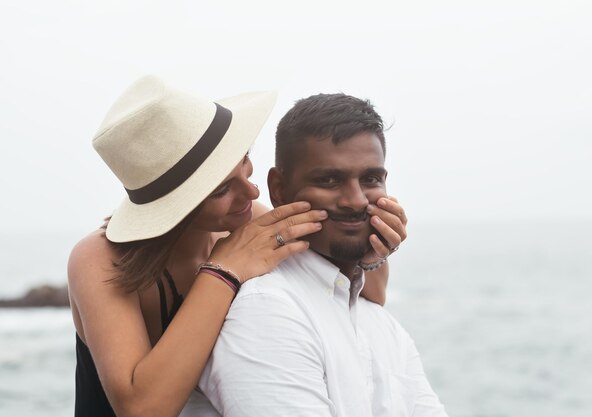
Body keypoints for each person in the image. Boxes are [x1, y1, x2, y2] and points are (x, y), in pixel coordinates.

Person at [67, 76, 407, 417]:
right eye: (221, 190)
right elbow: (142, 409)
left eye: (245, 165)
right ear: (172, 204)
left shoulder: (250, 223)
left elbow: (364, 294)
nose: (252, 194)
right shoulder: (100, 259)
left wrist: (372, 251)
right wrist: (223, 272)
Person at [187, 93, 448, 417]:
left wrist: (373, 259)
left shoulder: (380, 324)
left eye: (370, 179)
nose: (355, 200)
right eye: (329, 180)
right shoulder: (267, 309)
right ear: (279, 189)